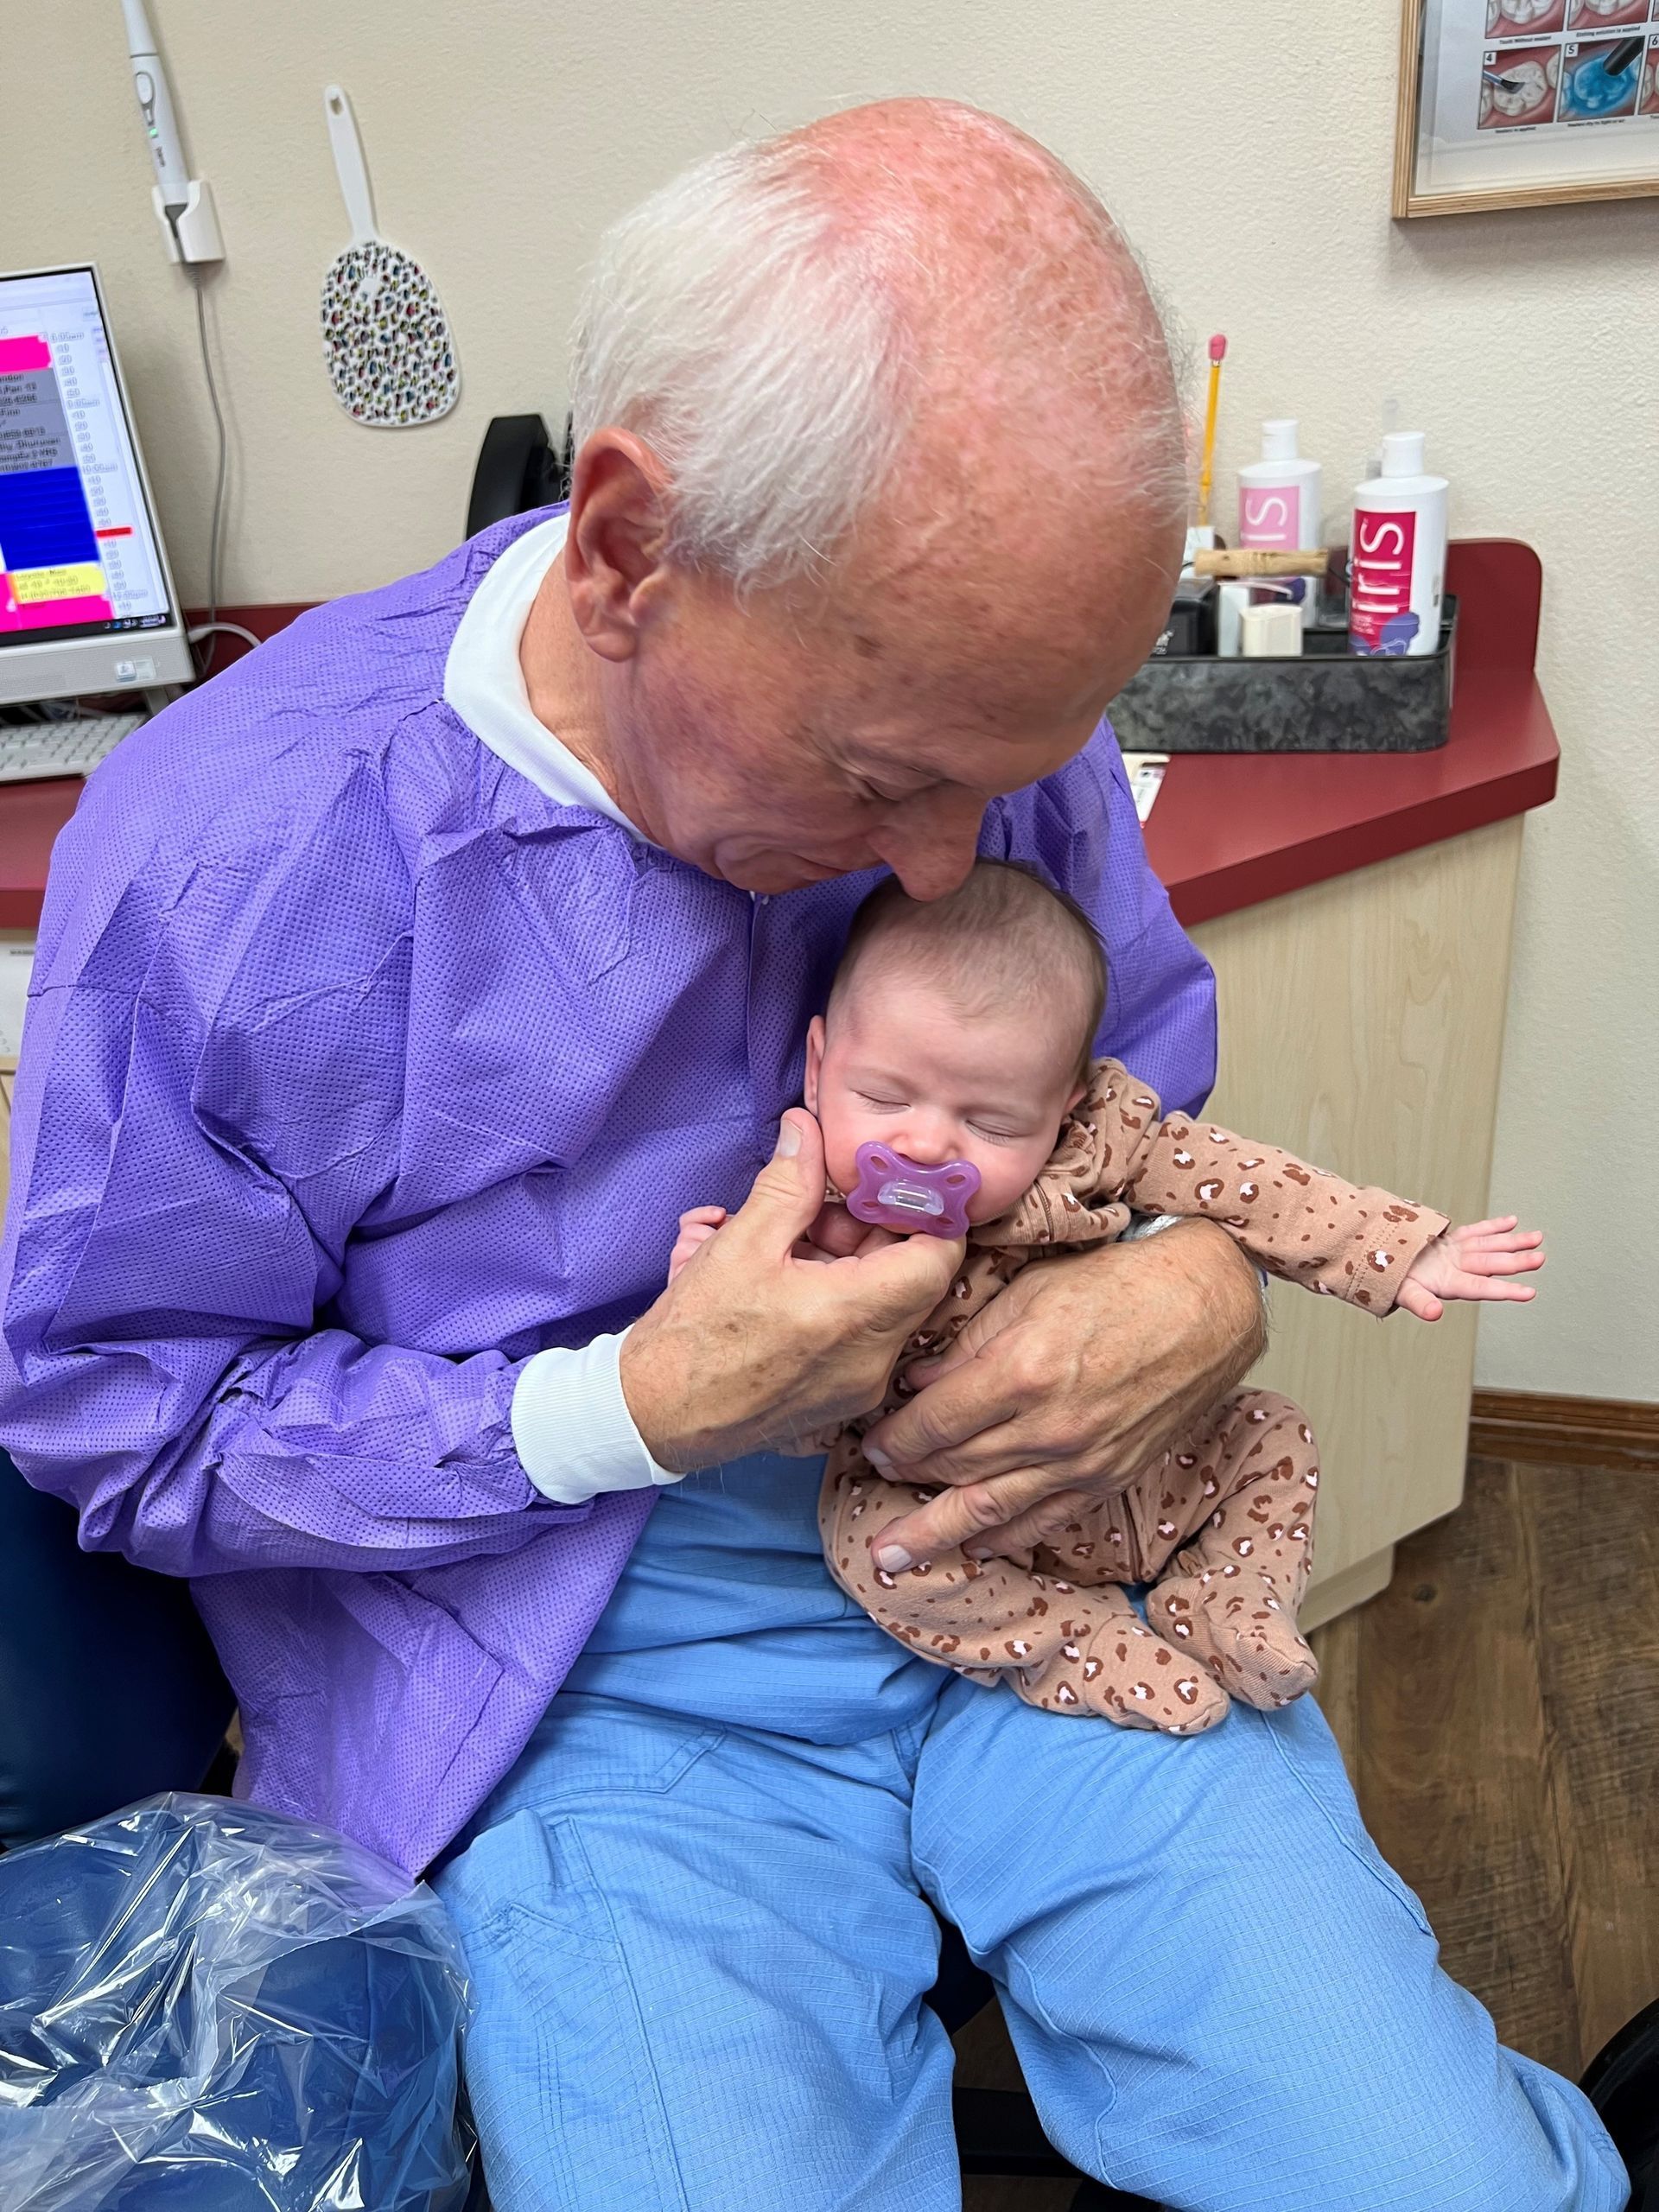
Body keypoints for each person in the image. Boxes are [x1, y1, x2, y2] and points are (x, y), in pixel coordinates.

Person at [0, 100, 1623, 2212]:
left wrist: (1191, 1282)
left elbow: (1131, 1101)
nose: (949, 862)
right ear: (624, 553)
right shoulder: (233, 869)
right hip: (583, 1671)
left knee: (1434, 2176)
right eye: (879, 778)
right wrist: (629, 1404)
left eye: (1006, 778)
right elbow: (131, 1427)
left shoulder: (973, 730)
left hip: (1052, 1561)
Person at [665, 860, 1544, 1732]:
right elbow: (798, 1427)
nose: (927, 1147)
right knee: (878, 1548)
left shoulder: (1097, 1154)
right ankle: (1079, 1642)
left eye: (991, 1123)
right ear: (819, 1068)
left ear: (1064, 1108)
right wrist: (724, 1316)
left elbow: (1249, 1182)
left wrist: (1392, 1247)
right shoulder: (796, 1236)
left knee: (1274, 1432)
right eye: (883, 1097)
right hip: (955, 1508)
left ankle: (1230, 1598)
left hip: (1161, 1465)